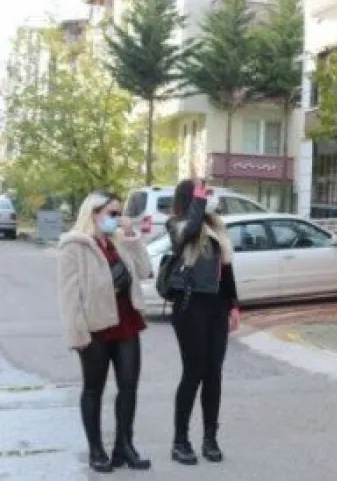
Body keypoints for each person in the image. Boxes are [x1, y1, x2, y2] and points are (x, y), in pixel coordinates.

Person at [57, 191, 152, 472]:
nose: (117, 219)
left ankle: (124, 446)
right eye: (112, 213)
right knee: (93, 389)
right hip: (95, 327)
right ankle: (96, 450)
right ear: (94, 213)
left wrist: (132, 237)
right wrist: (77, 333)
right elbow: (69, 296)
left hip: (126, 322)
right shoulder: (74, 246)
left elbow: (145, 271)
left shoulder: (119, 241)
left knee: (129, 386)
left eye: (119, 213)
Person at [165, 179, 239, 465]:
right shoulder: (178, 224)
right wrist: (197, 200)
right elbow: (190, 230)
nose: (208, 197)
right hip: (190, 307)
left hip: (216, 308)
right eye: (203, 193)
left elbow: (226, 269)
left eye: (207, 193)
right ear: (191, 197)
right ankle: (180, 441)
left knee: (213, 374)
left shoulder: (216, 225)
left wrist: (233, 305)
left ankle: (210, 438)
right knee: (193, 372)